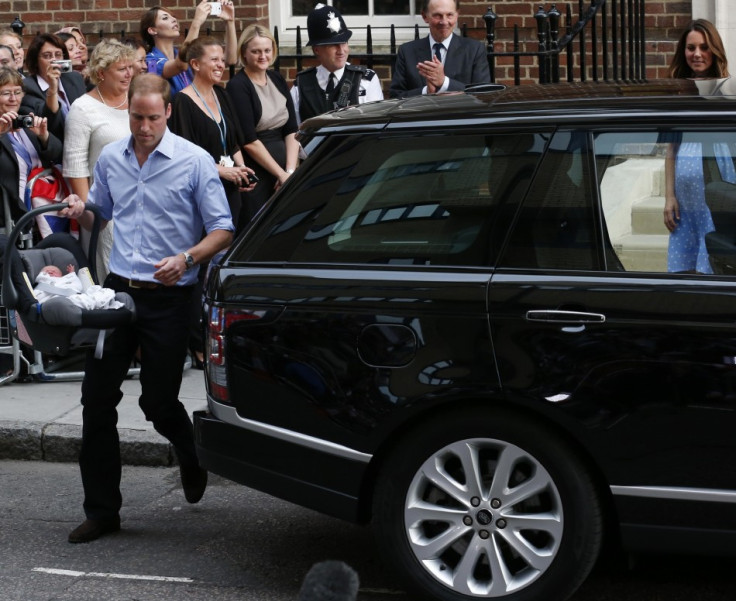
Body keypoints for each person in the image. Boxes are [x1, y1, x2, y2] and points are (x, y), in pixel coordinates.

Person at [60, 73, 234, 544]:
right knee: (96, 401)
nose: (143, 127)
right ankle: (102, 511)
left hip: (170, 296)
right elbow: (102, 213)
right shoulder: (113, 158)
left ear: (168, 113)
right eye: (136, 117)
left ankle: (189, 452)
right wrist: (81, 209)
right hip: (119, 293)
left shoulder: (195, 162)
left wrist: (187, 258)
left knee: (157, 402)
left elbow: (223, 229)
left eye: (152, 117)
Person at [169, 36, 256, 367]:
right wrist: (223, 172)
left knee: (224, 268)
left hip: (229, 189)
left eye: (222, 59)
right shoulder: (182, 101)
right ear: (195, 65)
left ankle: (220, 335)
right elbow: (187, 155)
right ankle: (197, 341)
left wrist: (241, 170)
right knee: (201, 267)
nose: (222, 64)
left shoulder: (221, 94)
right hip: (202, 193)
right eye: (215, 60)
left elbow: (232, 140)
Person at [63, 39, 136, 282]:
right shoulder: (83, 108)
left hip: (144, 200)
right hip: (106, 208)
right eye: (121, 69)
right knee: (112, 277)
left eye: (130, 67)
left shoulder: (137, 101)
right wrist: (89, 213)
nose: (129, 74)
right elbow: (75, 164)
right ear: (101, 73)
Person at [664, 19, 730, 274]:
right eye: (691, 48)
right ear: (684, 52)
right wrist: (669, 196)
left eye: (704, 47)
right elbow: (670, 150)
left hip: (717, 184)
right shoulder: (678, 91)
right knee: (685, 269)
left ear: (714, 50)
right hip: (685, 196)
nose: (697, 54)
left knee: (716, 258)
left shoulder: (728, 90)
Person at [226, 24, 299, 226]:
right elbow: (248, 140)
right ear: (244, 53)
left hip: (284, 169)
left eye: (267, 50)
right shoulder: (238, 86)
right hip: (258, 173)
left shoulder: (276, 78)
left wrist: (290, 173)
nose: (262, 56)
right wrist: (280, 174)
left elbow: (292, 128)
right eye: (255, 51)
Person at [291, 4, 383, 124]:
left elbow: (375, 127)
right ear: (316, 50)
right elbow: (294, 133)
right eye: (334, 45)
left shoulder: (365, 80)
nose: (341, 51)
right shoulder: (301, 85)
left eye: (344, 43)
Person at [0, 67, 63, 228]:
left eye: (18, 92)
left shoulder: (25, 121)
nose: (13, 99)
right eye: (6, 93)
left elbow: (58, 154)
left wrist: (43, 136)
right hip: (8, 219)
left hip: (41, 213)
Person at [389, 0, 490, 98]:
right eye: (437, 15)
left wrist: (444, 82)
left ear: (457, 15)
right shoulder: (407, 51)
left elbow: (482, 95)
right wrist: (426, 91)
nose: (444, 22)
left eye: (449, 15)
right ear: (425, 16)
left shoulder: (475, 50)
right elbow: (396, 97)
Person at [141, 1, 237, 96]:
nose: (174, 19)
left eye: (173, 17)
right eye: (165, 18)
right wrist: (196, 22)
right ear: (152, 30)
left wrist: (230, 22)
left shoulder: (177, 53)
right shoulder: (150, 61)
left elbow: (230, 60)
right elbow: (181, 65)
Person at [21, 33, 86, 142]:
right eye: (47, 56)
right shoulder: (28, 87)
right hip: (56, 149)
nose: (54, 60)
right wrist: (52, 88)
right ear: (36, 61)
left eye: (58, 54)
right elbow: (49, 122)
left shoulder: (74, 78)